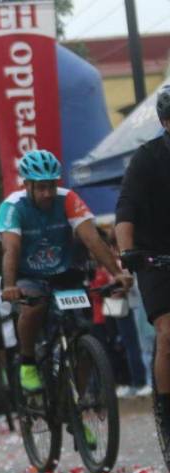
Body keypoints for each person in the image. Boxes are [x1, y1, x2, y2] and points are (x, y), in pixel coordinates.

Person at [0, 149, 132, 392]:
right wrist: (10, 286)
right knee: (33, 307)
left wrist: (117, 273)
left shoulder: (67, 199)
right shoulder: (12, 206)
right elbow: (11, 250)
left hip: (65, 273)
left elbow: (93, 240)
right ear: (27, 185)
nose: (47, 193)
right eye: (41, 187)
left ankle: (80, 400)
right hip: (29, 274)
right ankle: (28, 362)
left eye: (51, 186)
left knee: (84, 332)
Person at [116, 85, 170, 421]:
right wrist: (127, 252)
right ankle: (167, 412)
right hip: (157, 259)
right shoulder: (147, 158)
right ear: (166, 122)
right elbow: (126, 209)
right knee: (169, 334)